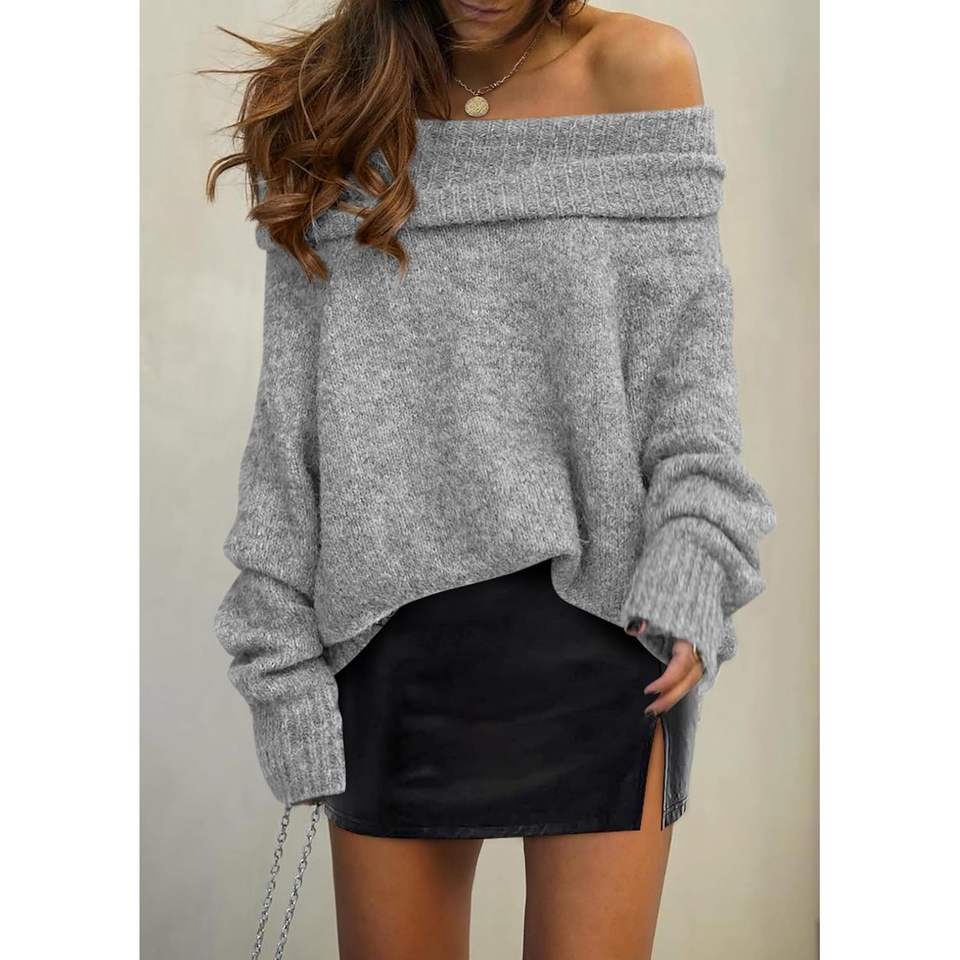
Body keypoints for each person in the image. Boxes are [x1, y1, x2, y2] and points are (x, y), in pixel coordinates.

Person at [205, 2, 777, 957]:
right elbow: (290, 422)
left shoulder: (639, 71)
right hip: (385, 647)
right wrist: (280, 663)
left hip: (608, 635)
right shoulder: (324, 98)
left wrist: (694, 565)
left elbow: (689, 382)